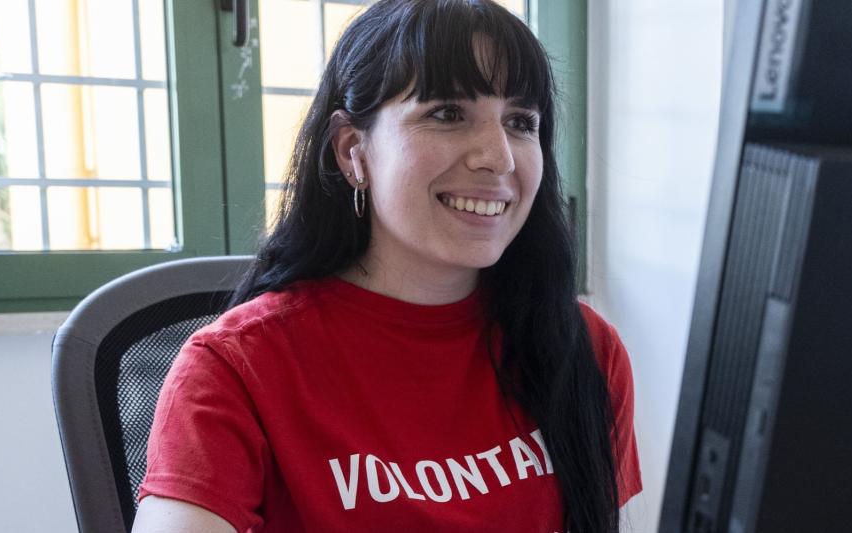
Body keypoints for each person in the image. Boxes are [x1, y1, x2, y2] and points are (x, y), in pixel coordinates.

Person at [130, 1, 641, 531]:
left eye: (520, 122)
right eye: (447, 113)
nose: (499, 157)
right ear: (353, 150)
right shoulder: (235, 369)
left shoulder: (585, 350)